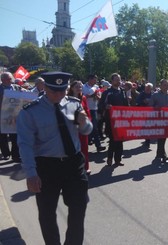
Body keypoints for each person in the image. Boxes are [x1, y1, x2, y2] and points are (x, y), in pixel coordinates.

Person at [17, 71, 93, 245]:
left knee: (79, 208)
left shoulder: (74, 104)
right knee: (47, 212)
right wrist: (31, 173)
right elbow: (25, 144)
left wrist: (84, 123)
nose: (59, 95)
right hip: (46, 166)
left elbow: (87, 130)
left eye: (63, 91)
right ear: (45, 88)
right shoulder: (31, 112)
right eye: (54, 92)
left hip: (74, 164)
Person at [99, 73, 129, 166]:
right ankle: (109, 157)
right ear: (111, 81)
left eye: (119, 79)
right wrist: (106, 106)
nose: (118, 81)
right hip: (111, 120)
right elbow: (101, 105)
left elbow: (126, 105)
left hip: (121, 120)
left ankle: (118, 159)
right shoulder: (107, 92)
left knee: (120, 140)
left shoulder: (122, 91)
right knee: (113, 140)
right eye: (116, 79)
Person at [149, 79, 168, 163]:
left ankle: (159, 153)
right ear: (160, 86)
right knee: (160, 136)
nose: (166, 86)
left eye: (167, 85)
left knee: (164, 137)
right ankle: (163, 155)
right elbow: (150, 106)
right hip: (159, 119)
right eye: (164, 85)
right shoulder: (155, 95)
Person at [68, 80, 92, 175]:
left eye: (81, 87)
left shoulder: (84, 98)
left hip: (82, 128)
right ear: (72, 88)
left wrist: (87, 121)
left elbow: (87, 111)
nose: (79, 88)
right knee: (72, 149)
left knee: (84, 148)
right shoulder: (67, 99)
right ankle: (74, 168)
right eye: (77, 86)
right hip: (72, 128)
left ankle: (86, 167)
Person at [0, 72, 23, 162]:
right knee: (3, 136)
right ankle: (6, 154)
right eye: (9, 79)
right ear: (2, 80)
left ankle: (16, 155)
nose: (11, 80)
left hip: (14, 116)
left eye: (11, 78)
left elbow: (24, 97)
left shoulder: (17, 87)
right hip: (2, 115)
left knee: (15, 136)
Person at [82, 74, 106, 152]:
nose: (96, 81)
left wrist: (96, 96)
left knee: (94, 127)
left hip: (94, 109)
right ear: (90, 79)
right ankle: (87, 143)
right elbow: (86, 95)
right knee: (86, 127)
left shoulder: (97, 87)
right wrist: (94, 91)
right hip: (85, 109)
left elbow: (99, 97)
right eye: (95, 79)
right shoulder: (84, 87)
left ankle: (98, 145)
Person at [136, 82, 154, 147]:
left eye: (149, 88)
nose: (147, 89)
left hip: (151, 113)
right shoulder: (142, 94)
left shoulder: (153, 94)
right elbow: (137, 100)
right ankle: (147, 140)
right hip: (143, 113)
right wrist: (143, 101)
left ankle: (148, 140)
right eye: (146, 88)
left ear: (151, 89)